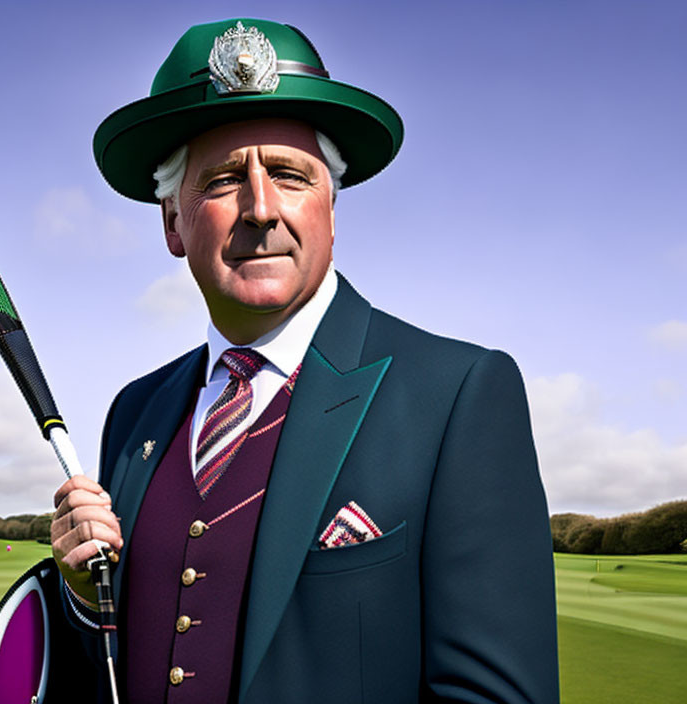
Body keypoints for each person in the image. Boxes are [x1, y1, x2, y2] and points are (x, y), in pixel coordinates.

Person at [50, 17, 559, 703]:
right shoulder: (135, 412)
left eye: (290, 175)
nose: (261, 209)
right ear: (173, 222)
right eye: (225, 180)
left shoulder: (457, 396)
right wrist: (88, 600)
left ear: (330, 208)